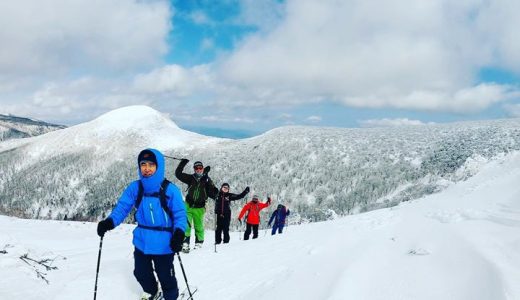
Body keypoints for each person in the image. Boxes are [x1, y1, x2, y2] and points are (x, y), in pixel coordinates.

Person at [96, 149, 187, 300]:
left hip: (164, 243)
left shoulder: (170, 190)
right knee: (140, 272)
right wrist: (109, 222)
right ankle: (152, 291)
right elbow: (122, 207)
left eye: (151, 164)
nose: (146, 168)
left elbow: (180, 215)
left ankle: (171, 297)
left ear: (159, 166)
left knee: (166, 276)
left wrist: (179, 233)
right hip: (142, 241)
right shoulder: (135, 188)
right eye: (143, 164)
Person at [175, 158, 216, 252]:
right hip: (188, 205)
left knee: (198, 226)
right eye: (196, 168)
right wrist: (183, 163)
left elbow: (212, 192)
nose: (198, 169)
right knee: (186, 224)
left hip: (200, 207)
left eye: (200, 167)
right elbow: (178, 174)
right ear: (194, 169)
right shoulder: (191, 178)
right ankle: (185, 242)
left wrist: (213, 190)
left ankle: (199, 242)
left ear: (202, 168)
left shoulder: (206, 180)